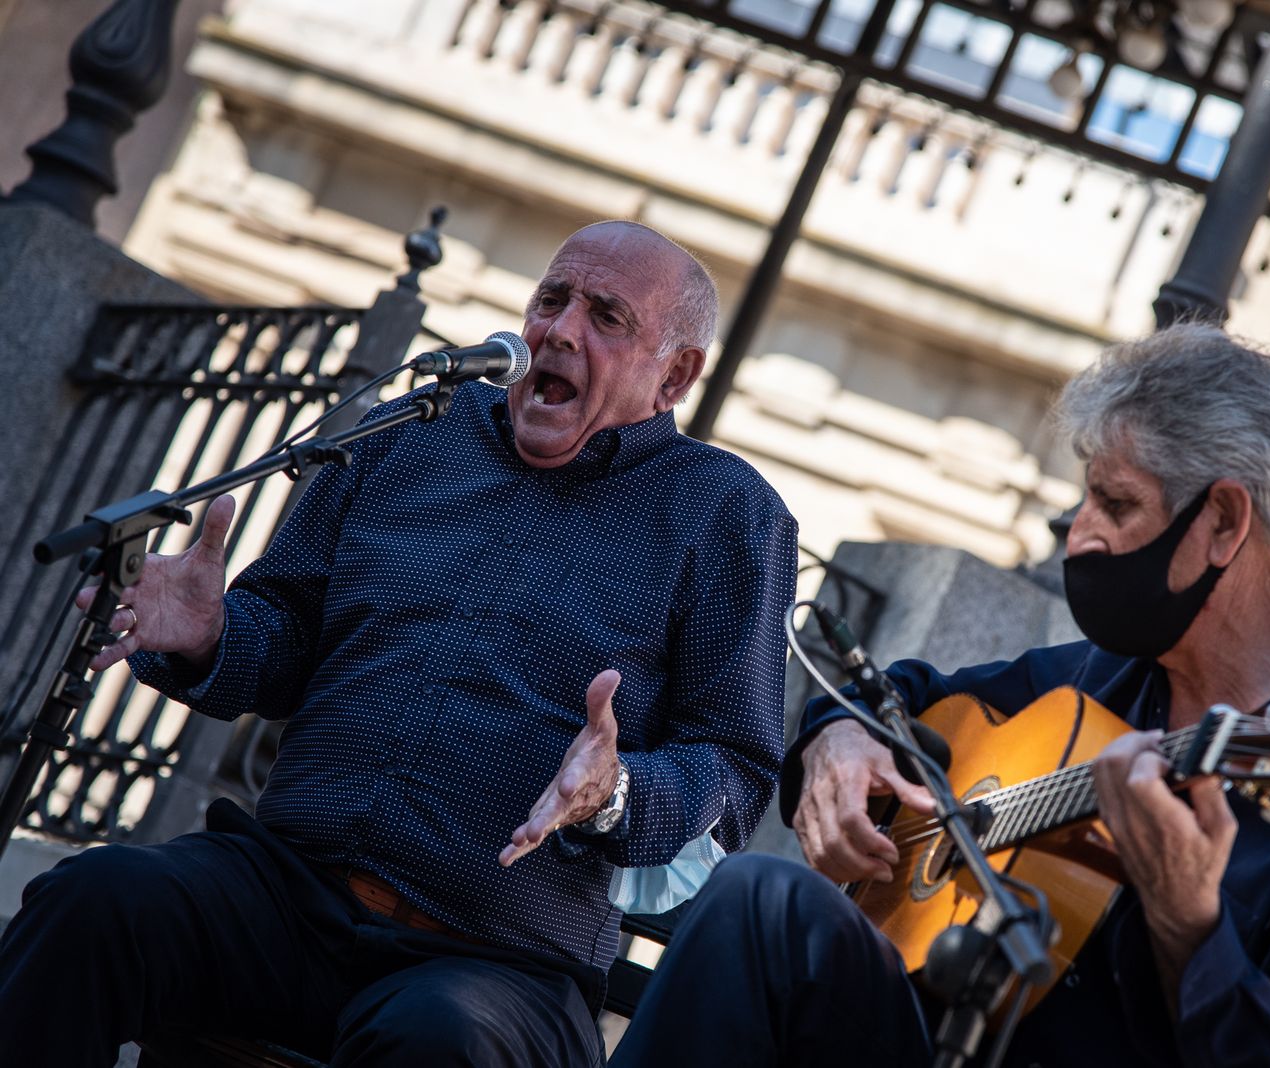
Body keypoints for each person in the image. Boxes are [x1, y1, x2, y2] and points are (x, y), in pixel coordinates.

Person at [0, 220, 798, 1067]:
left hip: (496, 963)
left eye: (607, 317)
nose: (559, 330)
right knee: (91, 901)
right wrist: (212, 634)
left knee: (435, 1042)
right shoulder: (414, 430)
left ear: (674, 376)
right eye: (552, 298)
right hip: (287, 891)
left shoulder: (725, 516)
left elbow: (737, 768)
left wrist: (616, 791)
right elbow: (285, 639)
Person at [609, 325, 1270, 1068]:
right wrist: (840, 740)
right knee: (764, 899)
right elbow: (907, 699)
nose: (1082, 533)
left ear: (1223, 523)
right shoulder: (1099, 681)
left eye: (1116, 502)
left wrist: (1190, 924)